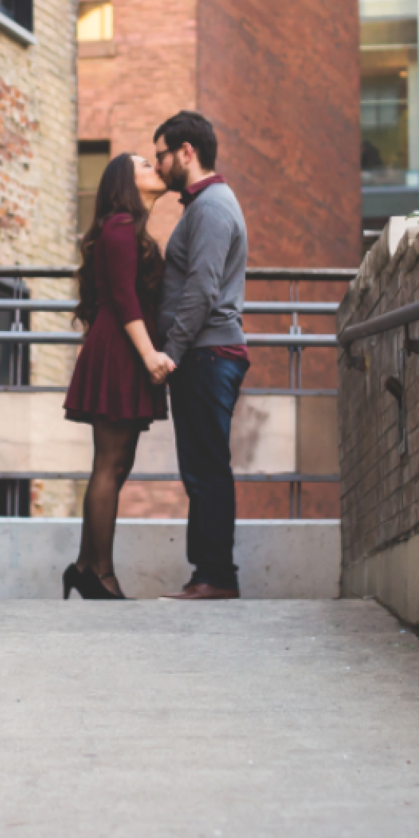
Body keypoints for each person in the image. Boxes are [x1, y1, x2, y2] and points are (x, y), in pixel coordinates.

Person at [59, 152, 176, 600]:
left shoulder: (124, 227)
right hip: (123, 347)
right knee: (110, 464)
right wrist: (148, 355)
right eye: (145, 164)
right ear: (125, 181)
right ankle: (100, 575)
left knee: (115, 463)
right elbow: (126, 297)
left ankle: (86, 565)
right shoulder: (121, 226)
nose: (155, 168)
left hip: (121, 346)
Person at [152, 110, 249, 601]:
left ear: (187, 152)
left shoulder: (211, 207)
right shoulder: (204, 206)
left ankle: (216, 576)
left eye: (162, 155)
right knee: (201, 467)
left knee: (207, 467)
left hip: (206, 355)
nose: (159, 165)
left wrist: (170, 352)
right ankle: (207, 573)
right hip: (205, 354)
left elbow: (202, 289)